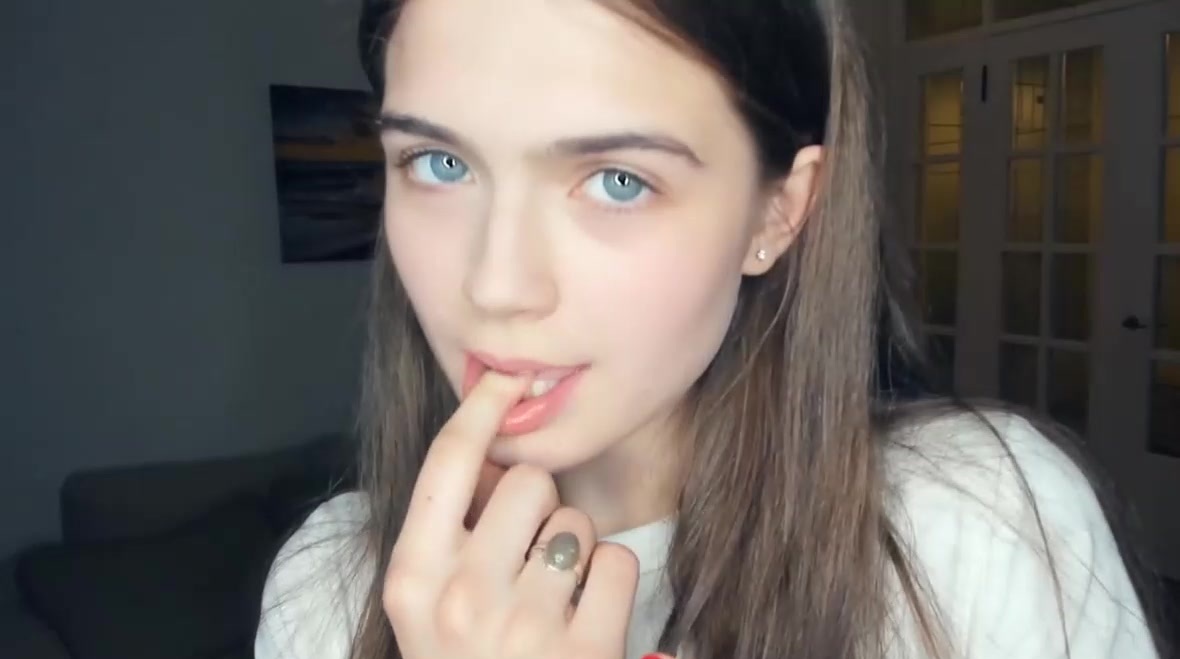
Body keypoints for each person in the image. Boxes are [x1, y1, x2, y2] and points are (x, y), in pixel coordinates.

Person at [254, 1, 1169, 658]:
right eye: (438, 163)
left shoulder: (975, 527)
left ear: (780, 211)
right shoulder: (329, 589)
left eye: (618, 180)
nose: (494, 286)